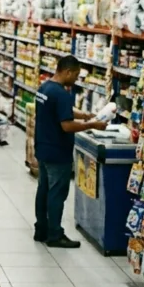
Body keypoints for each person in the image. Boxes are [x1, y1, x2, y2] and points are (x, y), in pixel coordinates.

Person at [34, 55, 108, 248]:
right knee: (57, 194)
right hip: (58, 152)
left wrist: (84, 115)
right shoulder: (61, 94)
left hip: (43, 148)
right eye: (75, 74)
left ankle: (41, 229)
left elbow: (59, 110)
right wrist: (92, 124)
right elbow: (66, 125)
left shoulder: (45, 88)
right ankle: (55, 234)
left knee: (43, 190)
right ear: (67, 71)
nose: (76, 79)